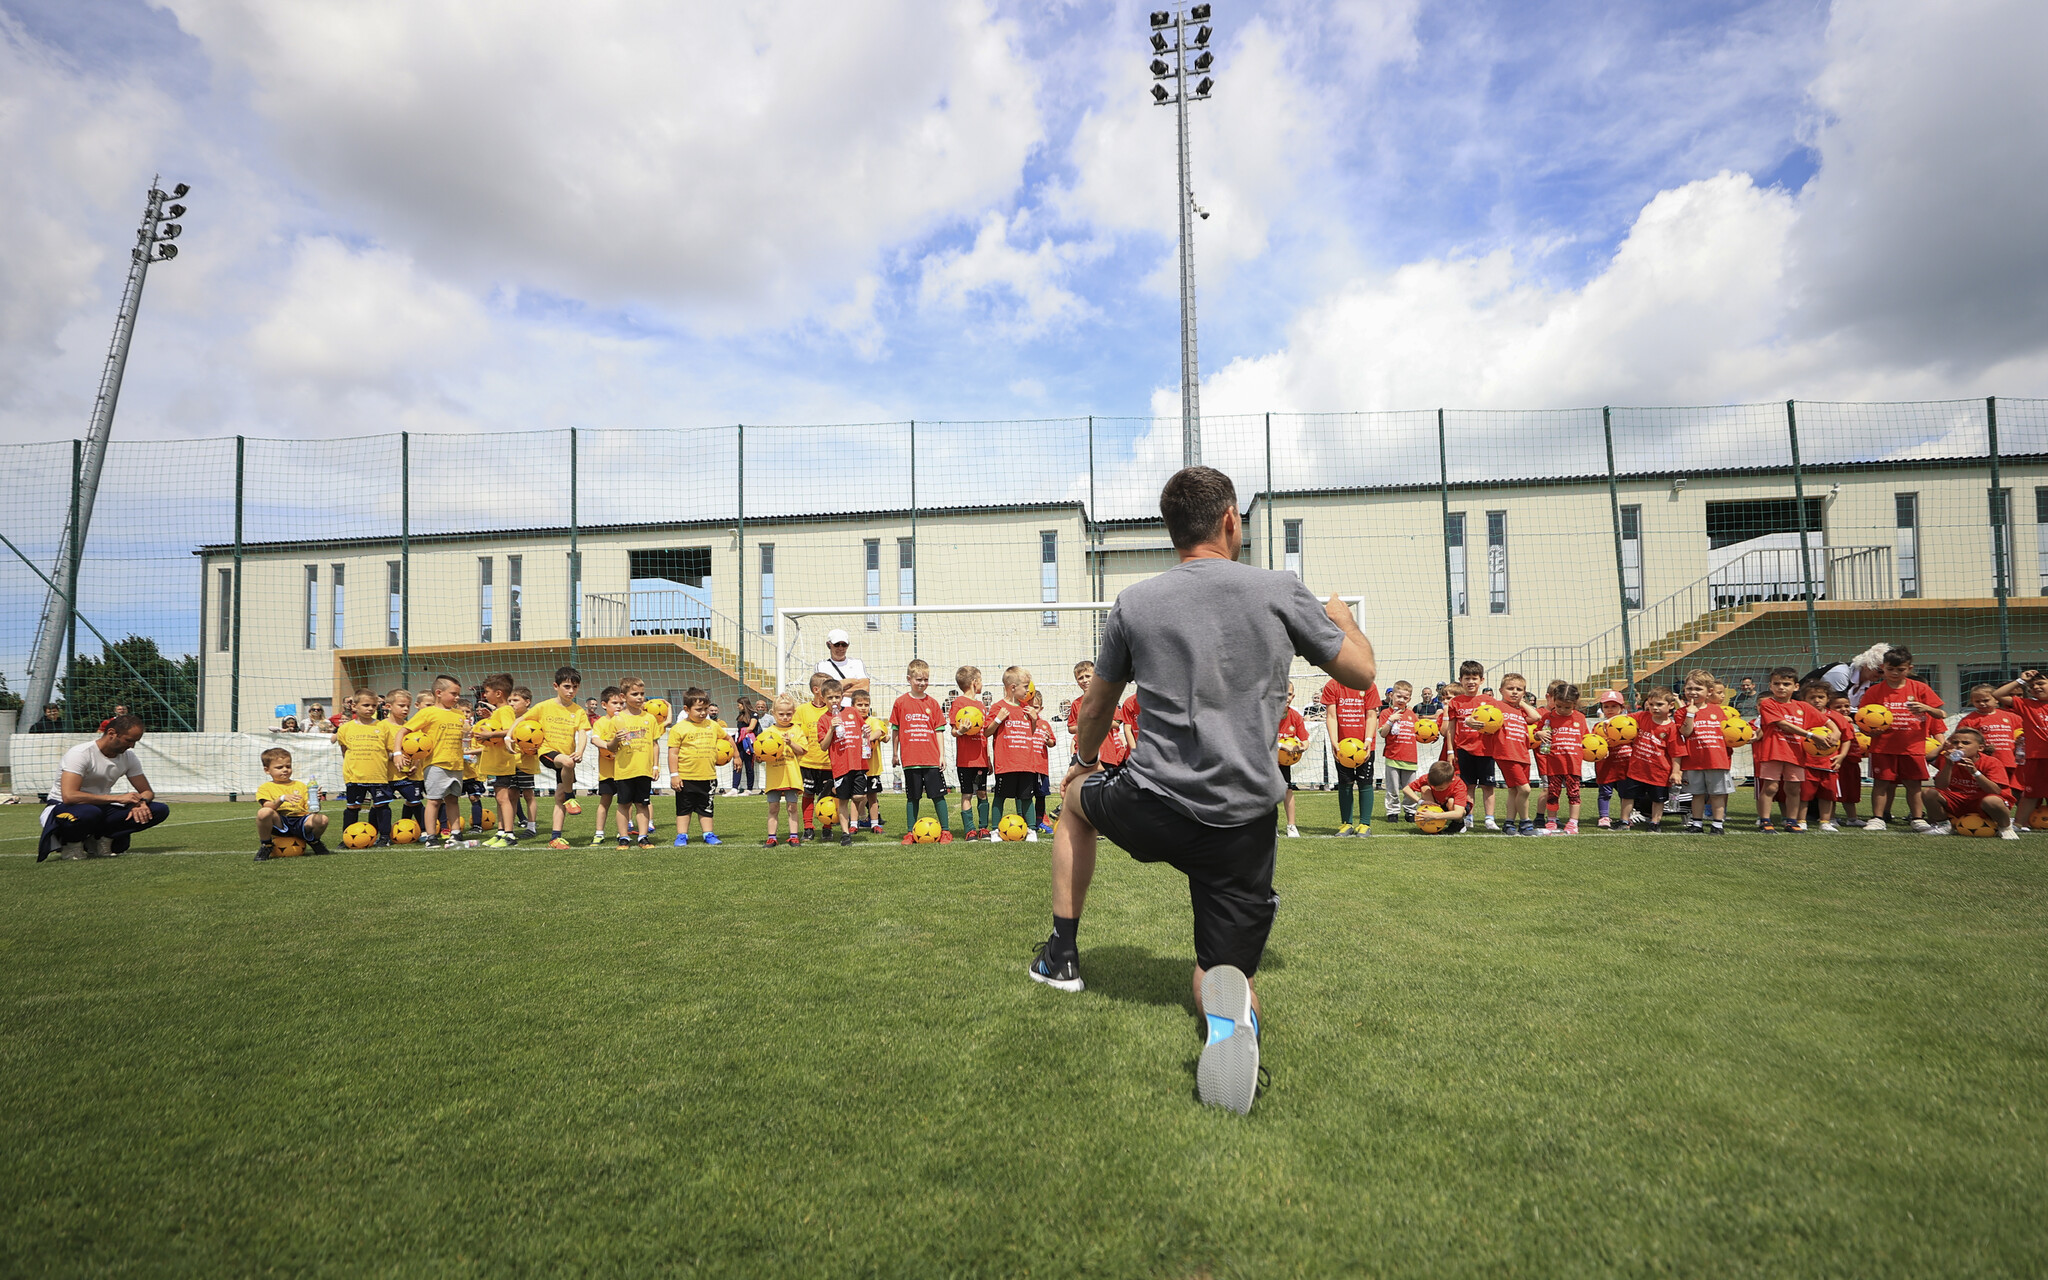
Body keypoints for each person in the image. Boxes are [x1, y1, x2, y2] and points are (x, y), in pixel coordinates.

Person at [1031, 465, 1377, 1116]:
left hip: (1153, 802)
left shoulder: (1136, 602)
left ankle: (1062, 955)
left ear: (1171, 533)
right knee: (1223, 968)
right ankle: (1231, 1016)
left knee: (1076, 808)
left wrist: (1081, 764)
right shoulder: (1281, 589)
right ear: (1229, 522)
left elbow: (1098, 707)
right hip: (1242, 822)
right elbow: (1360, 673)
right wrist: (1341, 620)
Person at [36, 714, 169, 860]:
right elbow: (69, 796)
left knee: (159, 810)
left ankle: (102, 839)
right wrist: (118, 798)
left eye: (135, 741)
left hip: (100, 807)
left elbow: (147, 791)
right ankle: (71, 844)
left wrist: (141, 802)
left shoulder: (129, 757)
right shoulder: (80, 753)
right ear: (112, 733)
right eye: (129, 740)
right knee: (88, 812)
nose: (132, 746)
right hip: (65, 807)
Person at [1854, 647, 1944, 832]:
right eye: (1890, 669)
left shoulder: (1920, 688)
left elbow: (1941, 713)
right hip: (1883, 747)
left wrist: (1926, 708)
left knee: (1913, 785)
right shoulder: (1875, 691)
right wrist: (1870, 732)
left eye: (1900, 670)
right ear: (1883, 667)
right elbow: (1863, 719)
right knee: (1881, 784)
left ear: (1909, 668)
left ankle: (1917, 819)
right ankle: (1878, 818)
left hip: (1913, 747)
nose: (1895, 673)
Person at [521, 666, 591, 848]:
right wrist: (508, 736)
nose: (571, 691)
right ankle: (570, 796)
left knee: (558, 796)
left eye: (575, 687)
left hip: (566, 759)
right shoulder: (544, 706)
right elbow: (521, 720)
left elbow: (583, 733)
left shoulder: (578, 711)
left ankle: (555, 837)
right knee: (568, 763)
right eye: (567, 686)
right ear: (556, 686)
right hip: (547, 752)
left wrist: (581, 751)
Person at [988, 668, 1054, 842]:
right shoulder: (997, 707)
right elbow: (987, 732)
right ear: (1012, 687)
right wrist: (998, 719)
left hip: (1026, 762)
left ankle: (1031, 829)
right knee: (1000, 796)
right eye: (1025, 687)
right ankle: (995, 830)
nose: (1027, 690)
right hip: (1006, 762)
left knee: (1026, 797)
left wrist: (1033, 720)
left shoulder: (1027, 708)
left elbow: (1030, 733)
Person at [401, 676, 469, 846]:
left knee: (453, 799)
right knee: (434, 800)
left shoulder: (459, 714)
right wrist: (397, 753)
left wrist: (470, 734)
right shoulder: (427, 713)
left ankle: (455, 833)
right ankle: (431, 836)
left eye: (458, 694)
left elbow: (464, 738)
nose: (457, 697)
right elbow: (404, 730)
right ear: (439, 693)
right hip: (436, 763)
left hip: (456, 764)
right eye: (453, 693)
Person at [891, 660, 953, 843]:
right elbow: (895, 730)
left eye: (926, 679)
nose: (922, 683)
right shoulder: (900, 702)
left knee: (938, 795)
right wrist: (895, 753)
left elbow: (939, 731)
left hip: (931, 759)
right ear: (909, 679)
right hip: (910, 759)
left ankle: (946, 831)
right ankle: (911, 832)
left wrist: (941, 755)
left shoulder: (932, 703)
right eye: (918, 679)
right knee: (913, 797)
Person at [599, 676, 660, 848]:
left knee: (642, 804)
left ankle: (642, 837)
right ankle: (624, 837)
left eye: (642, 693)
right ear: (623, 697)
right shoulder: (617, 719)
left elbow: (655, 744)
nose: (640, 697)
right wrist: (615, 740)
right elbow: (610, 747)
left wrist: (655, 766)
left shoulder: (650, 718)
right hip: (624, 770)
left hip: (644, 769)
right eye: (635, 694)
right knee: (623, 804)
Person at [1925, 727, 2017, 838]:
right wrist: (1948, 766)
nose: (1959, 746)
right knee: (1928, 793)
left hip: (1982, 800)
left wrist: (1975, 772)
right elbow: (1940, 786)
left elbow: (1995, 790)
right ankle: (1943, 825)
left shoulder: (1991, 762)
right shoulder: (1947, 760)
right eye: (1955, 742)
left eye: (1966, 743)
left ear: (1980, 747)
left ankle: (2005, 827)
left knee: (1992, 801)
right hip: (1959, 799)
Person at [1319, 671, 1380, 836]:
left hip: (1364, 747)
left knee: (1365, 782)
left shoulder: (1368, 685)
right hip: (1343, 748)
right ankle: (1346, 824)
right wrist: (1334, 741)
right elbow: (1331, 716)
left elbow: (1372, 715)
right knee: (1345, 783)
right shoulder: (1332, 685)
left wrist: (1368, 740)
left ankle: (1365, 824)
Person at [335, 689, 397, 846]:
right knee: (353, 807)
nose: (370, 709)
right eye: (366, 705)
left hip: (378, 775)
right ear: (354, 706)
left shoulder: (382, 727)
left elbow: (390, 750)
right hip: (355, 776)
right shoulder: (345, 729)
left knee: (381, 806)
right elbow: (344, 751)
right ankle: (347, 838)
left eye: (373, 706)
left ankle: (384, 837)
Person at [1676, 670, 1733, 835]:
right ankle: (1697, 823)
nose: (1693, 692)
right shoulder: (1682, 712)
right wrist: (1690, 714)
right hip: (1694, 760)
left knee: (1717, 794)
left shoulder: (1719, 711)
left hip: (1716, 759)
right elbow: (1686, 732)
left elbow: (1729, 734)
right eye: (1689, 688)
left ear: (1709, 692)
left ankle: (1717, 824)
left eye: (1698, 689)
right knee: (1697, 794)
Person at [667, 691, 725, 846]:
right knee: (683, 808)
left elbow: (726, 739)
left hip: (708, 776)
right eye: (698, 709)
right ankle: (682, 835)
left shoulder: (712, 725)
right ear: (687, 709)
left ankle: (708, 834)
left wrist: (737, 756)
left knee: (706, 808)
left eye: (705, 709)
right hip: (685, 777)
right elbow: (673, 753)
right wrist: (674, 775)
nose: (703, 713)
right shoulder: (679, 728)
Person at [254, 746, 333, 860]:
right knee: (263, 812)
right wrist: (282, 798)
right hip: (280, 821)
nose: (285, 769)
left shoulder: (300, 785)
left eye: (288, 766)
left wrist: (315, 800)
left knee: (323, 819)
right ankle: (266, 845)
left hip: (301, 820)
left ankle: (314, 841)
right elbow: (268, 806)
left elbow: (313, 810)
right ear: (267, 770)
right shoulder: (265, 787)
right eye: (279, 767)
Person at [1445, 661, 1497, 830]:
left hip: (1485, 750)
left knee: (1488, 786)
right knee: (1468, 786)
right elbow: (1451, 729)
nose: (1471, 682)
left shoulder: (1489, 701)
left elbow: (1497, 724)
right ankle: (1468, 817)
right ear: (1461, 680)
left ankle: (1489, 819)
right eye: (1467, 678)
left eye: (1474, 678)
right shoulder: (1456, 702)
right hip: (1464, 749)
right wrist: (1451, 751)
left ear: (1482, 680)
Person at [1490, 673, 1541, 836]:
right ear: (1501, 690)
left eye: (1519, 689)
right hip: (1506, 754)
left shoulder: (1521, 710)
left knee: (1514, 791)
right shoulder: (1497, 706)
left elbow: (1537, 716)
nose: (1514, 692)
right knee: (1525, 789)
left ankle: (1509, 823)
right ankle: (1525, 823)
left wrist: (1522, 703)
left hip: (1523, 755)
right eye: (1510, 688)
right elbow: (1481, 716)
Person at [825, 687, 876, 846]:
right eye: (830, 697)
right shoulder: (824, 719)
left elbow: (863, 729)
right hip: (841, 765)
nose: (834, 700)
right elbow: (823, 745)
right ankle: (845, 833)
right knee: (843, 801)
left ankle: (860, 815)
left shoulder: (852, 712)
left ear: (841, 697)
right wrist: (831, 729)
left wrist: (867, 730)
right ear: (824, 699)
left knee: (859, 796)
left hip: (859, 763)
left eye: (837, 697)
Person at [1536, 682, 1588, 834]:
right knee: (1553, 794)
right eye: (1559, 706)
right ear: (1553, 700)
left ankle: (1573, 822)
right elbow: (1537, 733)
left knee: (1573, 793)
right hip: (1554, 764)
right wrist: (1538, 734)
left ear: (1575, 703)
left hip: (1573, 764)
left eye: (1567, 707)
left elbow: (1587, 739)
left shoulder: (1580, 718)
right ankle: (1551, 820)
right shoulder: (1548, 717)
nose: (1562, 710)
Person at [761, 694, 809, 846]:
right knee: (773, 807)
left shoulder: (796, 730)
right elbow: (761, 753)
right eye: (781, 714)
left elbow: (802, 750)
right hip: (774, 776)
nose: (785, 717)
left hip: (792, 776)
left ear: (793, 712)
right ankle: (772, 837)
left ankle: (794, 836)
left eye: (789, 714)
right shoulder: (768, 732)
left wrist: (790, 743)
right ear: (773, 713)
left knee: (792, 806)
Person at [794, 673, 837, 840]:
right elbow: (797, 733)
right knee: (808, 795)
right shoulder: (802, 710)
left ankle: (827, 827)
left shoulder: (834, 711)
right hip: (808, 762)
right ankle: (808, 827)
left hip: (829, 763)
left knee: (828, 797)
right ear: (817, 690)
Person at [951, 667, 993, 839]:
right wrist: (961, 730)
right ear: (974, 683)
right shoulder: (958, 703)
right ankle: (969, 829)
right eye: (981, 680)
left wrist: (988, 758)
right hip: (966, 760)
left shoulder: (981, 706)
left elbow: (984, 735)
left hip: (981, 758)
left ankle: (983, 828)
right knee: (967, 793)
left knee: (982, 792)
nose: (982, 684)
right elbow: (954, 731)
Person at [1402, 760, 1472, 832]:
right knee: (1425, 788)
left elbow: (1459, 813)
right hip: (1437, 804)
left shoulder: (1459, 785)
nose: (1435, 789)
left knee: (1451, 802)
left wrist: (1434, 816)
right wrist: (1421, 802)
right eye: (1433, 786)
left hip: (1456, 807)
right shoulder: (1428, 777)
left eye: (1440, 788)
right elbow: (1406, 789)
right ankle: (1432, 821)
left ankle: (1458, 823)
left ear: (1451, 781)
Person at [1277, 681, 1309, 837]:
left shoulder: (1295, 716)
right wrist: (1283, 746)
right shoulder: (1267, 714)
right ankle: (1270, 826)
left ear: (1293, 696)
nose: (1286, 697)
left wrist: (1300, 748)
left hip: (1283, 762)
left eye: (1289, 694)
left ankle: (1291, 826)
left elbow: (1305, 740)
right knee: (1266, 793)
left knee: (1287, 790)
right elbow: (1262, 738)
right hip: (1265, 761)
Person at [816, 629, 869, 701]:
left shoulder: (857, 663)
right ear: (829, 645)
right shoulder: (821, 666)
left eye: (844, 645)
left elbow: (865, 688)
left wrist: (836, 691)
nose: (841, 648)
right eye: (837, 645)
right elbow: (822, 691)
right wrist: (851, 681)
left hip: (853, 709)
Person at [733, 698, 758, 795]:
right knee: (737, 764)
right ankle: (734, 788)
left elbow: (751, 728)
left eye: (739, 704)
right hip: (739, 743)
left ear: (743, 704)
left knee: (749, 766)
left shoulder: (753, 714)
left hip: (749, 743)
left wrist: (742, 732)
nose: (737, 706)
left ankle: (749, 789)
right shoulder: (740, 715)